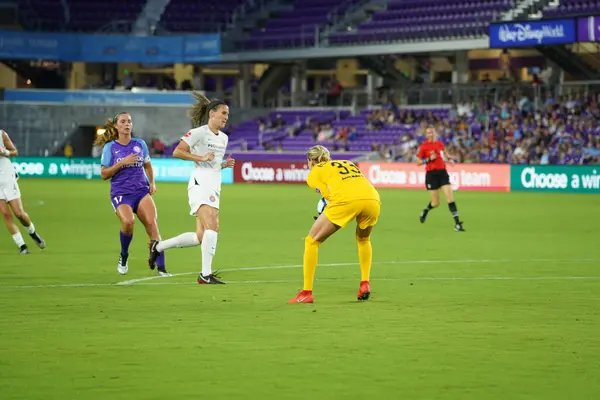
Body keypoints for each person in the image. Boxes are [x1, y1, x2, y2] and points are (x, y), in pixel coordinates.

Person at [148, 92, 235, 284]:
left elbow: (212, 164)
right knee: (213, 226)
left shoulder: (224, 138)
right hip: (200, 183)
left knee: (200, 236)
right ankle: (205, 274)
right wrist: (200, 158)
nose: (226, 117)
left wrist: (223, 165)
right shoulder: (198, 133)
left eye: (227, 114)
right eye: (223, 113)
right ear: (212, 113)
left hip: (214, 185)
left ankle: (158, 247)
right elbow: (178, 151)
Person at [288, 145, 380, 304]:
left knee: (312, 241)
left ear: (313, 160)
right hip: (372, 198)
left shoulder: (314, 173)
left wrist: (322, 215)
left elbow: (329, 197)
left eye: (308, 161)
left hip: (346, 201)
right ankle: (365, 283)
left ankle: (306, 293)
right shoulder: (347, 162)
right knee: (364, 239)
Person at [96, 112, 169, 276]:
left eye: (129, 121)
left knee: (153, 225)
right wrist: (122, 162)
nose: (127, 124)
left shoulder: (140, 144)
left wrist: (152, 183)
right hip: (121, 193)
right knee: (128, 222)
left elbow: (148, 165)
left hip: (141, 191)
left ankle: (162, 268)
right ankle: (124, 255)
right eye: (123, 121)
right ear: (116, 126)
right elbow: (104, 174)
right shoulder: (110, 148)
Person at [0, 129, 46, 254]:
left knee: (19, 213)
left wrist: (4, 151)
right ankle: (22, 246)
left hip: (7, 177)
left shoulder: (2, 135)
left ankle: (33, 233)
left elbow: (15, 152)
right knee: (5, 214)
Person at [417, 127, 465, 231]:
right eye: (428, 133)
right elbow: (418, 162)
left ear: (435, 133)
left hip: (442, 172)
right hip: (431, 175)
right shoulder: (423, 147)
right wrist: (429, 159)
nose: (431, 134)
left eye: (432, 132)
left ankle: (457, 224)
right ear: (426, 135)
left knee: (450, 198)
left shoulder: (440, 144)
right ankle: (426, 210)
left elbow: (445, 154)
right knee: (435, 203)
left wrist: (450, 159)